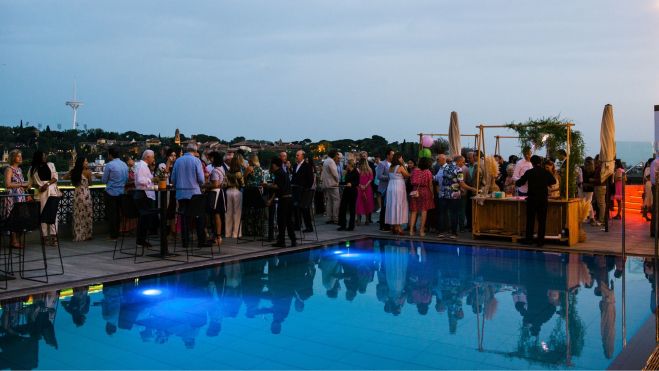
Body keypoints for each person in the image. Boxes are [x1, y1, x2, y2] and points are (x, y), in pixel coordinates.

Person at [170, 143, 209, 248]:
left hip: (181, 193)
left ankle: (185, 242)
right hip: (194, 193)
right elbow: (201, 179)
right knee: (199, 216)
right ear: (195, 151)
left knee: (184, 217)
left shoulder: (178, 161)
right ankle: (201, 241)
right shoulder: (196, 161)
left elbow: (172, 179)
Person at [515, 155, 556, 247]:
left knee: (530, 220)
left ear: (532, 163)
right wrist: (545, 182)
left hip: (532, 199)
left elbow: (519, 182)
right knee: (542, 220)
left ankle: (529, 240)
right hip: (543, 199)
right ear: (540, 163)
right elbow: (553, 181)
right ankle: (540, 241)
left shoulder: (529, 172)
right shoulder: (545, 172)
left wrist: (518, 181)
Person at [438, 155, 476, 240]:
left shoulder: (446, 167)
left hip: (444, 193)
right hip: (454, 195)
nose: (463, 163)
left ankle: (441, 232)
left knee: (443, 214)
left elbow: (444, 180)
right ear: (459, 161)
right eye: (463, 162)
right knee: (454, 214)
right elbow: (461, 183)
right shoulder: (459, 169)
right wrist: (472, 188)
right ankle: (453, 233)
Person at [28, 150, 61, 246]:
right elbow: (31, 183)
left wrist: (47, 184)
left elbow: (55, 177)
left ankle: (54, 236)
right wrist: (39, 187)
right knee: (43, 216)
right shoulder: (32, 169)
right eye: (43, 155)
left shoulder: (51, 164)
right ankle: (45, 237)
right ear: (39, 157)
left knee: (53, 214)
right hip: (41, 193)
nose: (45, 157)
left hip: (52, 191)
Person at [264, 157, 296, 247]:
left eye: (272, 164)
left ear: (274, 164)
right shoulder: (284, 173)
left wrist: (267, 185)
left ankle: (282, 241)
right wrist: (271, 199)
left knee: (281, 221)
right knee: (289, 221)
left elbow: (277, 187)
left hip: (284, 199)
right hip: (290, 199)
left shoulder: (278, 173)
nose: (271, 166)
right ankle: (293, 240)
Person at [102, 147, 128, 241]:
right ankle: (117, 233)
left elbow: (104, 180)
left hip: (111, 193)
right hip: (121, 192)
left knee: (112, 215)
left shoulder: (109, 165)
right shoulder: (124, 165)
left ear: (110, 155)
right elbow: (126, 179)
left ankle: (113, 235)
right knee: (118, 214)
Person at [3, 149, 28, 249]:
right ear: (13, 158)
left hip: (20, 196)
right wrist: (22, 184)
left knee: (20, 218)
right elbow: (8, 184)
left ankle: (17, 240)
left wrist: (25, 187)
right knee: (13, 217)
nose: (21, 158)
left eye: (21, 156)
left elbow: (18, 183)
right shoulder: (9, 169)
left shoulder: (20, 170)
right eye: (18, 156)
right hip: (12, 197)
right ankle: (13, 241)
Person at [133, 149, 157, 248]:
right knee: (144, 218)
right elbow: (140, 180)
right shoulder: (142, 166)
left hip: (143, 194)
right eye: (153, 157)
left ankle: (141, 239)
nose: (153, 159)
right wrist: (151, 179)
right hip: (143, 194)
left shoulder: (142, 166)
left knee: (145, 218)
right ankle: (141, 240)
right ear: (147, 157)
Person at [385, 153, 410, 235]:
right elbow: (407, 176)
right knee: (399, 205)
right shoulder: (400, 167)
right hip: (398, 187)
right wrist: (404, 166)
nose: (402, 159)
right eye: (401, 158)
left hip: (391, 187)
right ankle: (398, 227)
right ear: (399, 158)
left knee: (393, 205)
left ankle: (394, 226)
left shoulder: (390, 167)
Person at [68, 157, 93, 241]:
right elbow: (90, 183)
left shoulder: (73, 171)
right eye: (85, 161)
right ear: (82, 163)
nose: (87, 162)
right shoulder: (87, 172)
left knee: (78, 215)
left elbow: (64, 177)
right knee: (87, 214)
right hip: (86, 194)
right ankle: (87, 234)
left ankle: (78, 234)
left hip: (77, 194)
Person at [409, 157, 435, 237]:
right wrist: (432, 193)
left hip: (415, 191)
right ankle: (421, 231)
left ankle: (411, 231)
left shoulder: (414, 171)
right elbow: (430, 184)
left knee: (414, 211)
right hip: (425, 191)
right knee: (424, 211)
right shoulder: (428, 172)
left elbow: (411, 181)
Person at [291, 150, 314, 233]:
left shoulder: (307, 166)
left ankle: (309, 227)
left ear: (302, 156)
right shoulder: (295, 165)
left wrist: (306, 189)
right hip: (296, 190)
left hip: (304, 191)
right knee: (296, 208)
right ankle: (297, 225)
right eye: (296, 155)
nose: (296, 156)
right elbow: (294, 177)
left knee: (305, 209)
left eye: (298, 155)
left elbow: (311, 180)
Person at [243, 154, 266, 237]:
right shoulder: (260, 169)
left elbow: (244, 179)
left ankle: (249, 230)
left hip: (249, 191)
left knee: (248, 211)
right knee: (258, 211)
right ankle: (259, 230)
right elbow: (261, 180)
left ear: (251, 160)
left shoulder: (249, 168)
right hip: (257, 192)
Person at [225, 154, 245, 239]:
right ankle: (236, 233)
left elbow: (225, 182)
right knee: (237, 213)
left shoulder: (227, 172)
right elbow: (242, 184)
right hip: (236, 191)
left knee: (228, 213)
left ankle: (227, 233)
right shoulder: (239, 173)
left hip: (228, 191)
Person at [207, 154, 225, 247]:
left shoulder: (214, 171)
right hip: (220, 193)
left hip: (215, 194)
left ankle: (217, 237)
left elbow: (215, 184)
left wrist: (205, 185)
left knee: (216, 215)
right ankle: (218, 236)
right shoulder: (221, 168)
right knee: (217, 215)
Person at [337, 159, 359, 231]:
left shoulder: (356, 172)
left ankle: (351, 226)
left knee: (352, 209)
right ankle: (342, 224)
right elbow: (345, 182)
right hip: (346, 191)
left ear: (350, 165)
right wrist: (339, 184)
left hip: (353, 192)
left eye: (348, 164)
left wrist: (352, 184)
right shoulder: (348, 172)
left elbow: (357, 182)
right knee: (342, 207)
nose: (347, 166)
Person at [376, 149, 394, 231]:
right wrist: (390, 178)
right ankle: (382, 225)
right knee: (384, 207)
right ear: (388, 155)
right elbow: (379, 176)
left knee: (388, 207)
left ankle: (388, 224)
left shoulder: (393, 164)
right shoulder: (382, 163)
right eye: (392, 154)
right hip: (384, 189)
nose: (393, 156)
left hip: (391, 189)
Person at [321, 150, 340, 224]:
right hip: (333, 184)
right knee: (336, 200)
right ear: (334, 155)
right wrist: (337, 180)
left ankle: (329, 218)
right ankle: (336, 218)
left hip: (326, 184)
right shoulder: (331, 161)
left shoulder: (325, 161)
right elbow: (335, 173)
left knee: (329, 201)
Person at [356, 158, 374, 224]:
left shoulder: (358, 170)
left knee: (359, 204)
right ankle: (367, 220)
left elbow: (357, 179)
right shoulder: (370, 170)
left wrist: (360, 185)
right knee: (367, 203)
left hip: (360, 188)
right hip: (368, 188)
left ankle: (358, 220)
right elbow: (371, 179)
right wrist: (366, 185)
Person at [581, 157, 597, 224]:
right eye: (586, 163)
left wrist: (587, 184)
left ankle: (590, 217)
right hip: (582, 188)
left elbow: (595, 181)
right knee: (586, 203)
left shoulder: (594, 171)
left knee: (588, 203)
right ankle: (590, 217)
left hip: (589, 189)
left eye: (588, 163)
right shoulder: (582, 169)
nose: (586, 165)